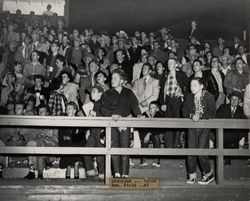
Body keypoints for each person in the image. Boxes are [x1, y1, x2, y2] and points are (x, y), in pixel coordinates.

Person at [100, 69, 141, 178]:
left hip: (125, 124)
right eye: (112, 78)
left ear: (122, 81)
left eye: (115, 78)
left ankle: (125, 174)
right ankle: (117, 173)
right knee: (114, 150)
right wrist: (111, 115)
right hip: (112, 125)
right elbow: (103, 109)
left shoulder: (128, 92)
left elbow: (135, 106)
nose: (112, 80)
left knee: (124, 150)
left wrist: (138, 115)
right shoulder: (107, 94)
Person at [182, 77, 216, 185]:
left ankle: (209, 174)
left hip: (204, 127)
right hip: (192, 127)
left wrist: (200, 116)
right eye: (191, 85)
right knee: (191, 151)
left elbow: (212, 113)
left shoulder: (209, 96)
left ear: (201, 86)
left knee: (201, 152)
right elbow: (184, 111)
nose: (192, 88)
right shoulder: (188, 96)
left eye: (195, 85)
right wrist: (192, 115)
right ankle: (192, 176)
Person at [158, 58, 189, 148]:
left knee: (177, 122)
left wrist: (183, 95)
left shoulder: (181, 75)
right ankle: (168, 145)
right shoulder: (165, 76)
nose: (169, 64)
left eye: (171, 62)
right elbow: (161, 92)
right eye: (168, 63)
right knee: (168, 123)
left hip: (177, 100)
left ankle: (176, 144)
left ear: (176, 65)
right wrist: (162, 103)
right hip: (168, 100)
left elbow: (188, 87)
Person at [216, 92, 247, 165]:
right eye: (232, 99)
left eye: (236, 99)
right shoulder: (223, 107)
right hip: (223, 132)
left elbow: (244, 124)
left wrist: (242, 138)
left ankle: (230, 158)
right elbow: (217, 119)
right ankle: (227, 160)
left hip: (236, 134)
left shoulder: (241, 110)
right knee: (225, 138)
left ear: (239, 101)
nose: (234, 101)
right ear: (229, 100)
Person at [58, 102, 86, 179]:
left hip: (76, 142)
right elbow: (61, 135)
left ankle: (76, 166)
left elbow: (81, 136)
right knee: (67, 143)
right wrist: (66, 137)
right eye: (66, 109)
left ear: (74, 110)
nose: (67, 110)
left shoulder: (79, 120)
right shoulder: (63, 120)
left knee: (78, 141)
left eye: (69, 109)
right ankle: (68, 167)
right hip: (66, 143)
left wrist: (70, 137)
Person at [84, 85, 105, 180]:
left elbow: (107, 114)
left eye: (93, 91)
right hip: (93, 130)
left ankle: (102, 174)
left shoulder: (103, 103)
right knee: (87, 151)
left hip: (100, 130)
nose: (91, 93)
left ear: (100, 93)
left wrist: (96, 114)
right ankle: (91, 172)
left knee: (100, 153)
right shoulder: (95, 104)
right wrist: (89, 129)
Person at [139, 101, 164, 167]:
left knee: (156, 137)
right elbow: (141, 127)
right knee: (145, 137)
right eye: (150, 107)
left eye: (153, 107)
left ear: (157, 109)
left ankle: (157, 159)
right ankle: (143, 159)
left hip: (155, 133)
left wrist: (149, 134)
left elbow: (158, 128)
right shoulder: (145, 113)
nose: (151, 109)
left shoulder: (160, 115)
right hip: (145, 132)